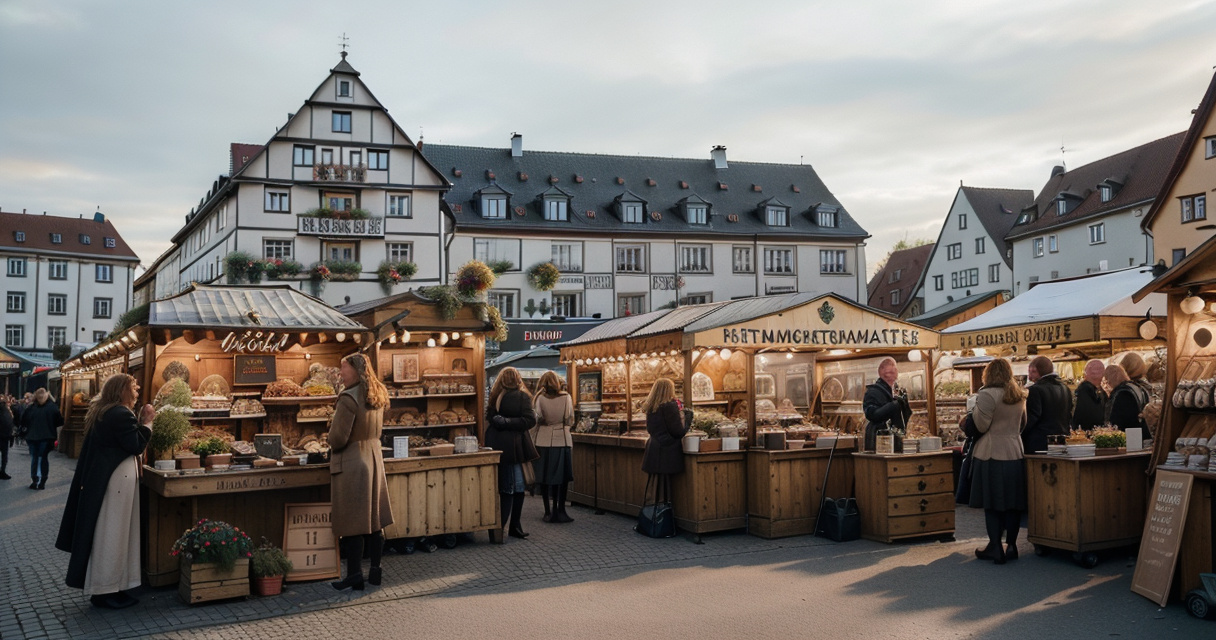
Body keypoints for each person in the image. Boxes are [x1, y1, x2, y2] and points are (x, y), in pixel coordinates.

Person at [55, 373, 154, 609]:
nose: (137, 390)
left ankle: (113, 586)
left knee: (114, 534)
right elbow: (135, 444)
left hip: (112, 482)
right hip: (116, 484)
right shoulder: (119, 413)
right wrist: (148, 422)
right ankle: (104, 590)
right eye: (133, 387)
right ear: (121, 391)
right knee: (112, 535)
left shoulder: (108, 412)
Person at [328, 353, 394, 591]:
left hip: (353, 462)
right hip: (374, 459)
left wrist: (328, 433)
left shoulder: (348, 398)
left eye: (343, 369)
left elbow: (337, 438)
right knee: (375, 520)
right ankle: (375, 571)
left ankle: (354, 574)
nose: (340, 374)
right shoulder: (376, 393)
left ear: (355, 370)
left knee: (353, 522)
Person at [969, 358, 1028, 565]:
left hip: (991, 453)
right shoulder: (1019, 394)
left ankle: (995, 547)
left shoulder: (986, 394)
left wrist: (972, 411)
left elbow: (981, 425)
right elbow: (1023, 424)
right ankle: (1011, 546)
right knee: (1013, 503)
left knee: (992, 504)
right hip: (1015, 452)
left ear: (988, 374)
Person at [486, 366, 538, 540]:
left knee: (506, 488)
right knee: (516, 487)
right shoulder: (523, 397)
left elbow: (491, 418)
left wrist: (503, 421)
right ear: (518, 380)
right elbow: (530, 420)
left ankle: (500, 529)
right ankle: (509, 527)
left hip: (497, 447)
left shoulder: (495, 397)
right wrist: (510, 422)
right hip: (515, 448)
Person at [531, 371, 575, 524]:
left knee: (544, 477)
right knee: (562, 478)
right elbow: (569, 418)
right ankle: (561, 510)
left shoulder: (540, 398)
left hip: (543, 440)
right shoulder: (566, 397)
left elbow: (537, 417)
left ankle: (548, 511)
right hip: (562, 439)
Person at [640, 377, 688, 507]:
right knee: (666, 490)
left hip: (654, 449)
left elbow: (650, 429)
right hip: (667, 452)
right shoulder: (670, 406)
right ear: (669, 390)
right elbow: (678, 431)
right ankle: (663, 518)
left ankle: (652, 516)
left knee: (654, 487)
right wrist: (687, 420)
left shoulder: (651, 406)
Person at [1023, 356, 1071, 453]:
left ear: (1041, 371)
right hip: (1062, 440)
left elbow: (1031, 418)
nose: (1029, 376)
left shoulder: (1035, 390)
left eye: (1033, 372)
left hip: (1039, 443)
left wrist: (1020, 433)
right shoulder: (1065, 388)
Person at [863, 357, 911, 452]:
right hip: (879, 441)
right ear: (883, 373)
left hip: (895, 439)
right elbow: (872, 414)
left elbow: (907, 416)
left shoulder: (897, 391)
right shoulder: (873, 392)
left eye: (894, 369)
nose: (894, 372)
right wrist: (894, 405)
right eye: (891, 370)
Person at [21, 388, 63, 490]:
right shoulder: (53, 408)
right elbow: (60, 422)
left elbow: (23, 421)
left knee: (35, 458)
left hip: (32, 437)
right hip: (47, 437)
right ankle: (42, 480)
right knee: (43, 458)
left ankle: (35, 480)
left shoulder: (31, 408)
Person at [1104, 364, 1149, 432]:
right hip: (1143, 430)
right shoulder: (1138, 387)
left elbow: (1115, 419)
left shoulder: (1120, 392)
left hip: (1128, 434)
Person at [1071, 359, 1107, 430]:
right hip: (1098, 434)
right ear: (1103, 375)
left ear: (1085, 375)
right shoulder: (1102, 394)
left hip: (1081, 435)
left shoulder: (1079, 392)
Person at [0, 398, 13, 479]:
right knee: (4, 456)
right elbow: (10, 426)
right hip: (5, 438)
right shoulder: (7, 413)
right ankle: (2, 471)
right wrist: (11, 438)